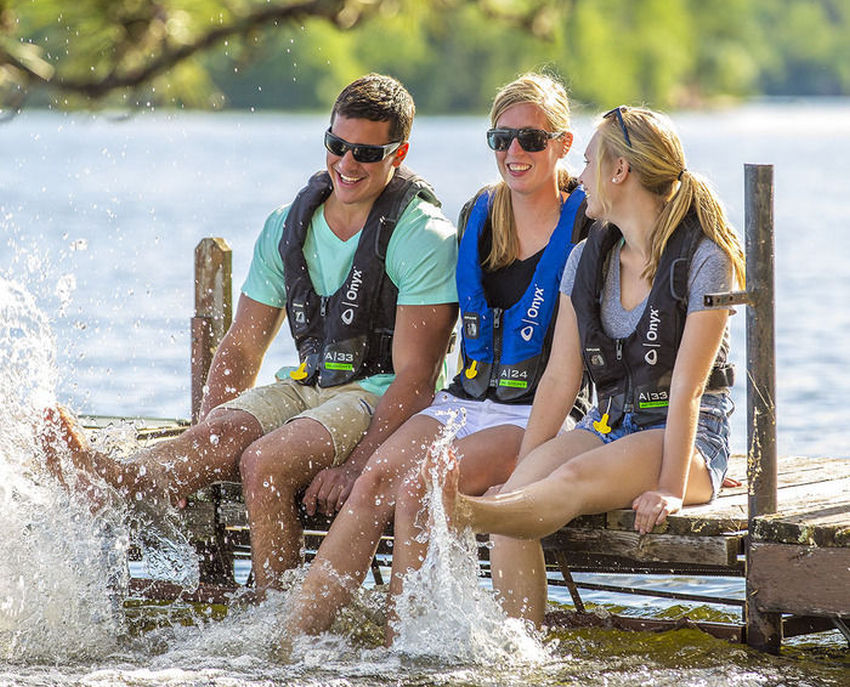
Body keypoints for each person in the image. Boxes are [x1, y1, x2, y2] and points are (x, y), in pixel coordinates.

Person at [41, 73, 459, 591]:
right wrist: (207, 447)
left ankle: (276, 616)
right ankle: (108, 480)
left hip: (378, 395)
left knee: (264, 460)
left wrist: (357, 465)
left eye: (367, 154)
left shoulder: (424, 237)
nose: (347, 164)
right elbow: (240, 348)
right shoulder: (286, 225)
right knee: (221, 436)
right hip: (308, 383)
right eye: (337, 145)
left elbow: (417, 381)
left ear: (400, 152)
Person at [284, 72, 592, 643]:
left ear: (564, 144)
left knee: (426, 480)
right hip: (468, 398)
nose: (514, 153)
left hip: (541, 412)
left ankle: (406, 646)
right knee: (375, 476)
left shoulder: (591, 223)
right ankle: (293, 643)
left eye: (530, 139)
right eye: (501, 139)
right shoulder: (479, 213)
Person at [430, 105, 745, 627]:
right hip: (611, 427)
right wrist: (521, 471)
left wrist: (668, 487)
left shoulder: (706, 259)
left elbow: (688, 388)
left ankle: (468, 513)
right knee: (519, 500)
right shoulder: (585, 259)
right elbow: (559, 378)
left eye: (589, 159)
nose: (579, 174)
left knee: (570, 477)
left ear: (620, 171)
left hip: (686, 443)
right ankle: (519, 651)